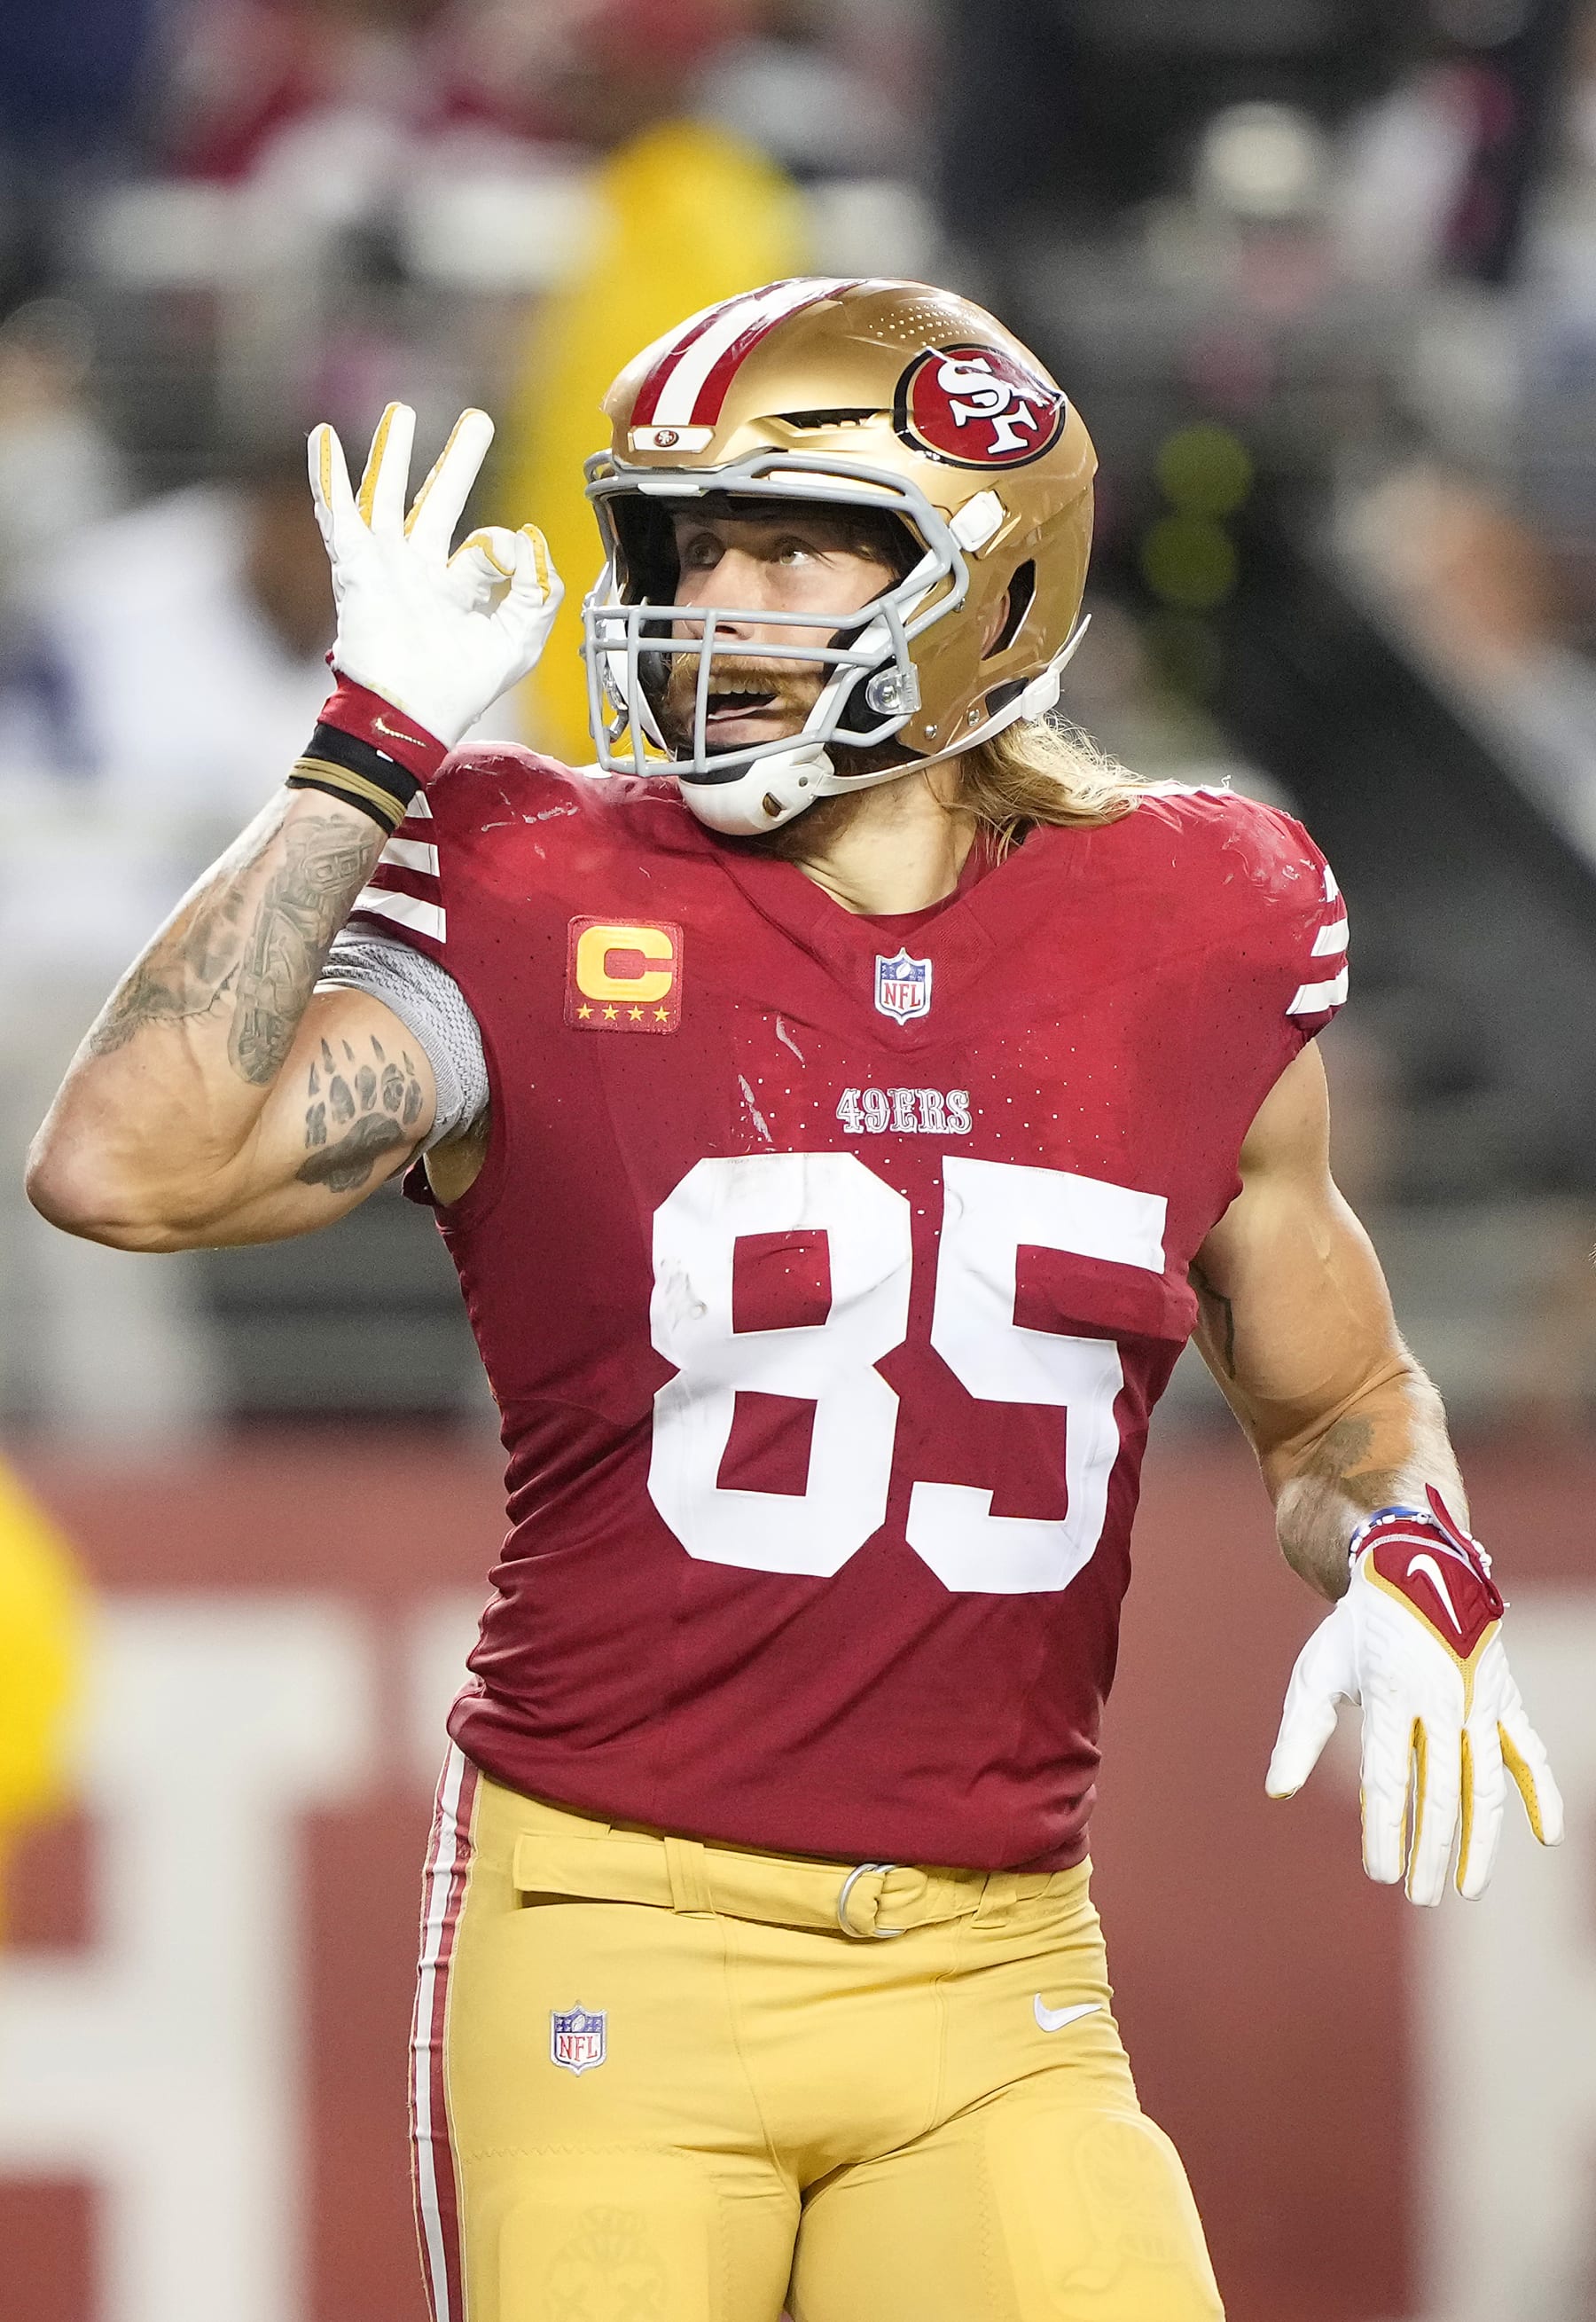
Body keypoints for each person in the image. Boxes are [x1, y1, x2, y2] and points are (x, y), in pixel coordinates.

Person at [27, 278, 1563, 2322]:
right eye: (682, 546)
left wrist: (1407, 1541)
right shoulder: (540, 880)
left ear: (981, 573)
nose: (708, 600)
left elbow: (1336, 1393)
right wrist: (361, 756)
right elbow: (121, 1163)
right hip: (616, 1940)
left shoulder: (1198, 917)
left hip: (998, 1964)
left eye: (780, 543)